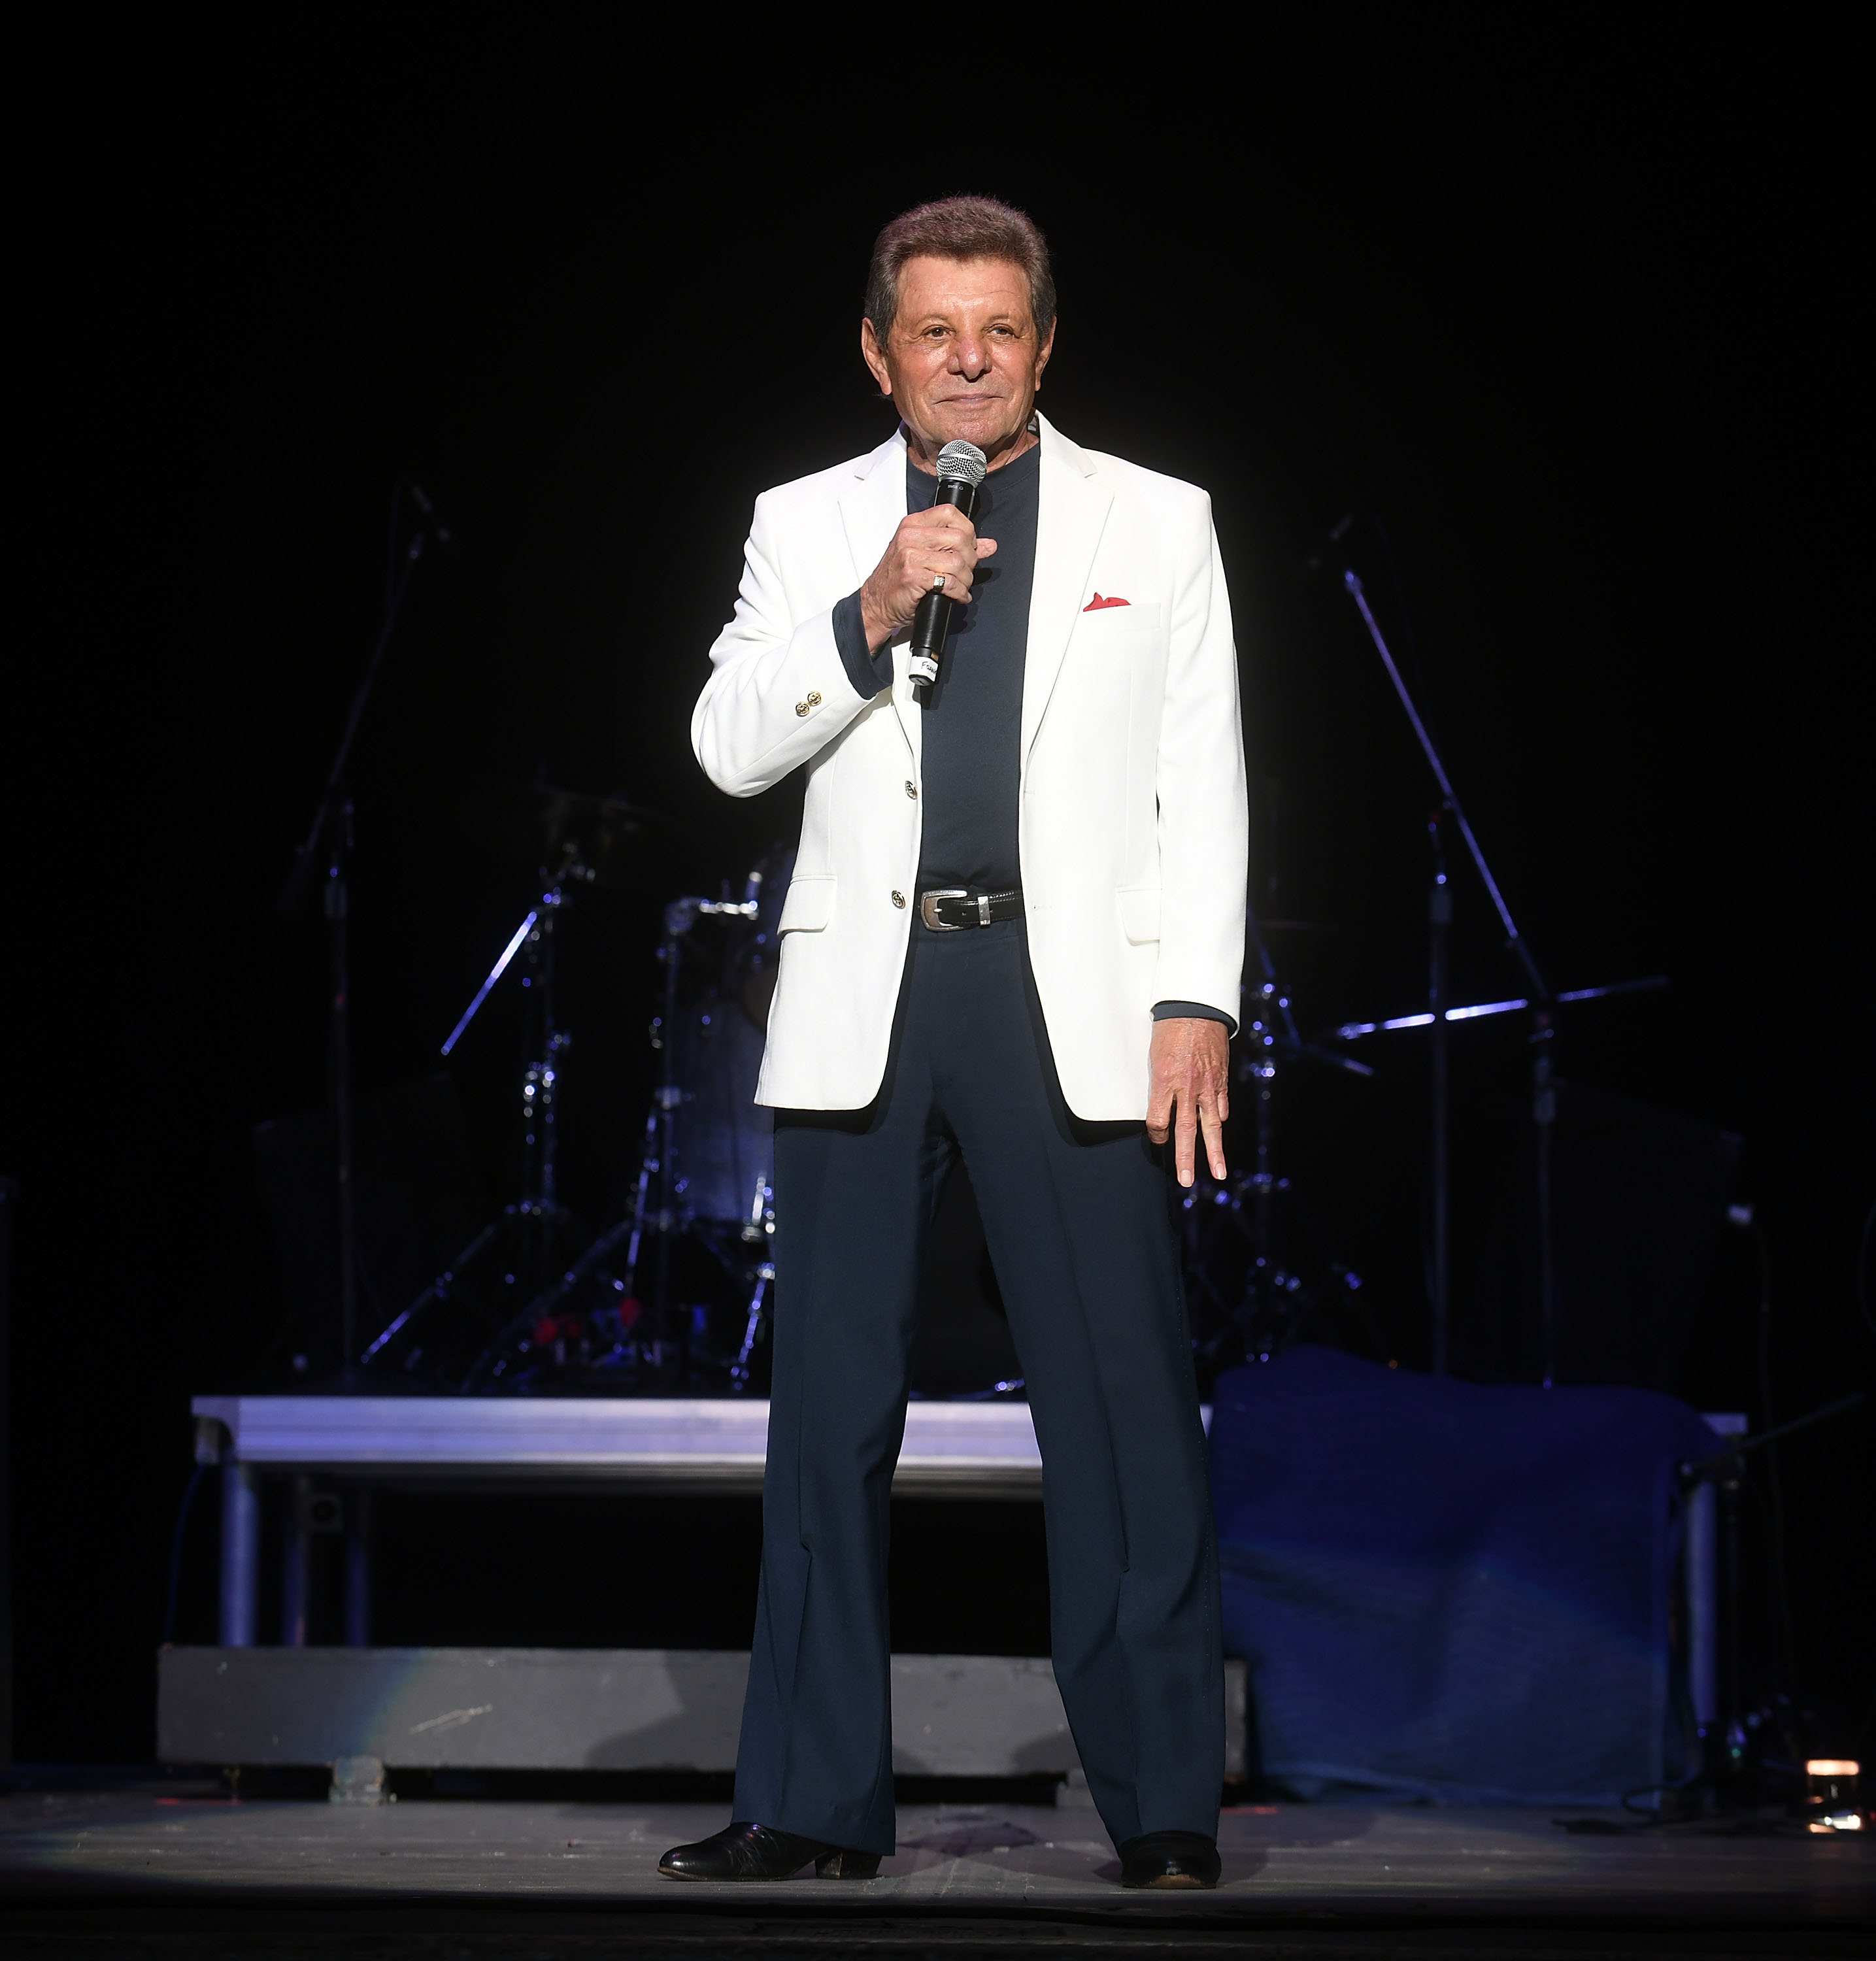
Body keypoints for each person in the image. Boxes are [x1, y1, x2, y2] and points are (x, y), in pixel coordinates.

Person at [662, 196, 1247, 1890]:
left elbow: (1203, 780)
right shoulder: (809, 521)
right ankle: (810, 1799)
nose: (969, 361)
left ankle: (1158, 1809)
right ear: (878, 351)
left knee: (1125, 1407)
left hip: (1065, 999)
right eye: (935, 332)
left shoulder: (1163, 516)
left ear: (1045, 344)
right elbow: (723, 748)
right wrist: (867, 607)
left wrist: (1193, 998)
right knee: (829, 1413)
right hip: (869, 998)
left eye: (999, 330)